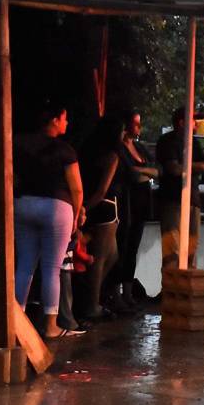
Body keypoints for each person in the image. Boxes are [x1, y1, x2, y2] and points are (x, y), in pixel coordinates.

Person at [9, 101, 84, 338]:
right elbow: (77, 189)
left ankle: (16, 324)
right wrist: (76, 216)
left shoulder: (18, 142)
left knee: (25, 264)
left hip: (23, 204)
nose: (67, 122)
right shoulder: (64, 150)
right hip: (56, 207)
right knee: (52, 268)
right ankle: (50, 326)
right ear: (54, 120)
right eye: (64, 118)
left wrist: (11, 179)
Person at [78, 114, 126, 317]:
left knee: (111, 255)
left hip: (94, 204)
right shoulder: (112, 156)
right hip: (105, 208)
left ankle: (90, 297)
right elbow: (103, 189)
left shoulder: (88, 151)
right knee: (100, 257)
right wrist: (88, 207)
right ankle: (91, 304)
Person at [156, 108, 204, 270]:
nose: (196, 124)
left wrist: (185, 166)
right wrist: (192, 167)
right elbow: (173, 169)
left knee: (191, 248)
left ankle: (188, 289)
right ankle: (171, 291)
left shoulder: (193, 142)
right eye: (193, 120)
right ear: (182, 122)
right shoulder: (168, 141)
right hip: (172, 200)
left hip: (193, 200)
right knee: (172, 248)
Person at [113, 110, 156, 304]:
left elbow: (157, 170)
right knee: (122, 245)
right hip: (126, 201)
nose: (139, 127)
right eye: (136, 123)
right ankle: (115, 291)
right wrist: (143, 172)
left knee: (133, 248)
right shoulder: (118, 149)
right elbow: (130, 173)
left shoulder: (140, 147)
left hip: (141, 201)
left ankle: (128, 293)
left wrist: (142, 171)